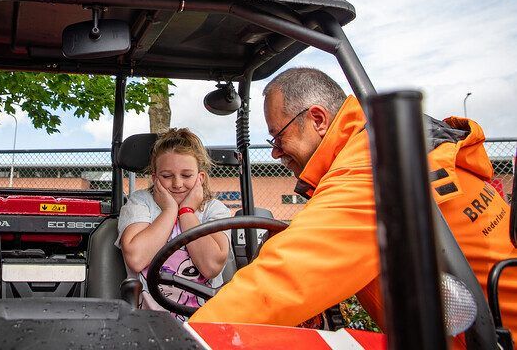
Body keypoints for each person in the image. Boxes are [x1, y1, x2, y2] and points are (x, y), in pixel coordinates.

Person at [190, 67, 517, 338]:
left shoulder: (372, 165)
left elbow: (288, 277)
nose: (275, 152)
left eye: (278, 138)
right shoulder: (378, 149)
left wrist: (189, 339)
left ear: (317, 119)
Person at [116, 128, 231, 321]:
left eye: (186, 175)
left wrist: (186, 212)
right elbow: (136, 259)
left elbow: (211, 266)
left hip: (204, 322)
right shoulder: (141, 202)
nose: (177, 184)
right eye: (167, 176)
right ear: (155, 178)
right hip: (149, 323)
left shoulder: (214, 210)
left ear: (200, 178)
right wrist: (170, 211)